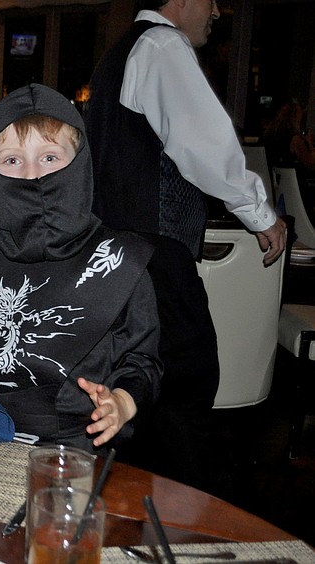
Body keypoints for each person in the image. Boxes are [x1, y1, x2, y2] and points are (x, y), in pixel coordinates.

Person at [83, 0, 286, 492]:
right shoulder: (160, 43)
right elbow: (204, 143)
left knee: (141, 393)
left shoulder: (119, 52)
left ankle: (133, 514)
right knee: (186, 387)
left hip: (113, 257)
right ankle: (191, 529)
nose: (218, 10)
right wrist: (259, 213)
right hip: (153, 255)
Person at [0, 84, 162, 454]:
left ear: (78, 163)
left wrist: (124, 401)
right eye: (12, 160)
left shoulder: (118, 260)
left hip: (80, 449)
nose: (33, 175)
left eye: (49, 158)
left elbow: (142, 358)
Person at [263, 101, 315, 172]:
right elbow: (311, 164)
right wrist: (310, 144)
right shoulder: (295, 139)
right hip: (291, 180)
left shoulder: (269, 134)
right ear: (295, 116)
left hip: (272, 177)